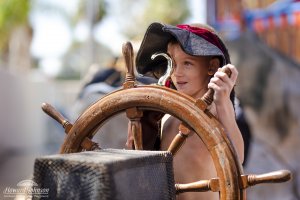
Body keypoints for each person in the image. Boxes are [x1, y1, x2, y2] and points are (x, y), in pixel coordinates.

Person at [132, 22, 245, 200]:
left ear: (212, 67)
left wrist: (223, 101)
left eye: (187, 63)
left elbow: (237, 158)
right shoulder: (166, 114)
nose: (177, 73)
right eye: (174, 63)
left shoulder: (216, 110)